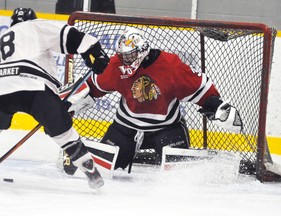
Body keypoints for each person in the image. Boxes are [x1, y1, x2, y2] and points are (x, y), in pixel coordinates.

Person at [66, 27, 243, 172]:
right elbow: (94, 86)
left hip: (166, 128)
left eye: (129, 56)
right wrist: (72, 102)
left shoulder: (170, 66)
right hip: (126, 126)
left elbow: (199, 89)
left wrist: (218, 107)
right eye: (122, 56)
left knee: (178, 174)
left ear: (142, 51)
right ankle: (78, 152)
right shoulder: (116, 65)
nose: (125, 61)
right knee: (102, 168)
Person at [0, 8, 110, 189]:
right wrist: (95, 52)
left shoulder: (3, 37)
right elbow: (69, 36)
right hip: (33, 85)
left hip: (2, 87)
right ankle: (90, 170)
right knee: (63, 132)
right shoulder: (35, 26)